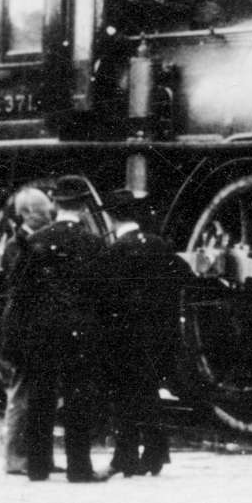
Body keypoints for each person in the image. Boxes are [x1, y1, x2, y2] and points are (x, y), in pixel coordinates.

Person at [1, 189, 103, 482]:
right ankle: (79, 469)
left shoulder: (35, 241)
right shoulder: (92, 243)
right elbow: (102, 293)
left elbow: (20, 291)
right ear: (83, 208)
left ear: (56, 205)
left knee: (40, 397)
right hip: (79, 330)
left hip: (42, 331)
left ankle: (37, 466)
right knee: (77, 398)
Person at [96, 192, 184, 477]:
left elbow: (107, 298)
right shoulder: (159, 245)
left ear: (112, 217)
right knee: (149, 393)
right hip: (158, 335)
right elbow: (183, 278)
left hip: (125, 337)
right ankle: (155, 455)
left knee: (124, 398)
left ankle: (126, 457)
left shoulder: (115, 251)